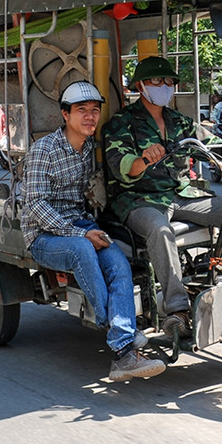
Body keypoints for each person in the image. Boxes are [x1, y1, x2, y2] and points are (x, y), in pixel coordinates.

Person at [21, 80, 164, 382]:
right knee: (84, 250)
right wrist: (80, 234)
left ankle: (123, 354)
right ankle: (118, 332)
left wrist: (91, 228)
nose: (90, 117)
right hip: (43, 235)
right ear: (65, 115)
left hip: (81, 225)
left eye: (95, 111)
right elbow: (35, 205)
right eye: (81, 110)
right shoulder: (43, 150)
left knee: (117, 261)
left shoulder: (89, 150)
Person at [103, 56, 222, 339]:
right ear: (141, 85)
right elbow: (123, 168)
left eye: (169, 81)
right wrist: (143, 159)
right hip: (138, 199)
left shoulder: (179, 121)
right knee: (160, 230)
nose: (164, 86)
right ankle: (177, 311)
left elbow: (212, 145)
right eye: (157, 81)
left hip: (180, 193)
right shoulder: (122, 123)